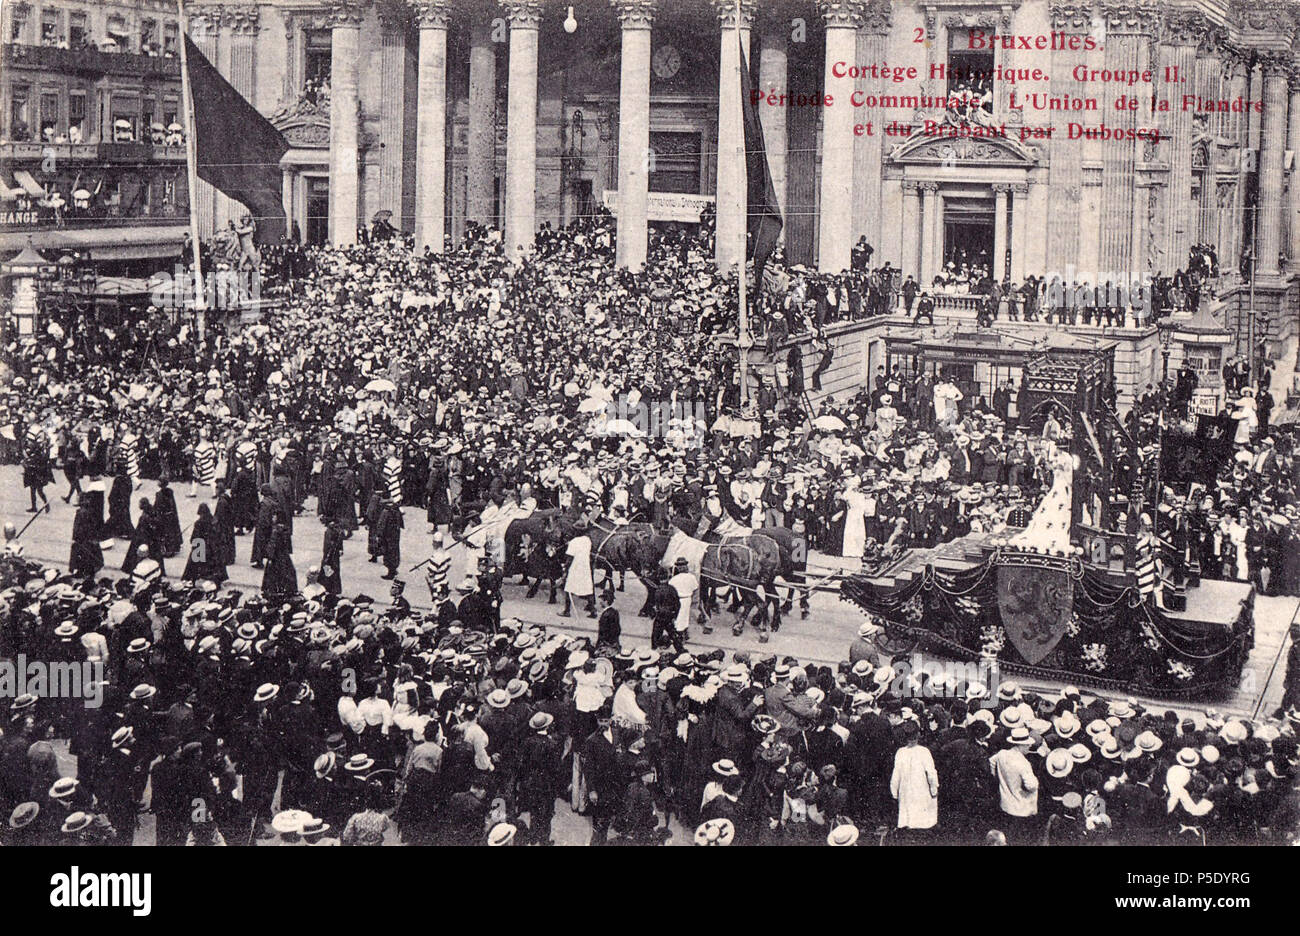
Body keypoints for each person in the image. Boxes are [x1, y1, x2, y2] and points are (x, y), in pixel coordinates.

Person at [890, 721, 939, 841]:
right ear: (918, 735)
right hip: (921, 790)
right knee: (923, 819)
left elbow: (895, 775)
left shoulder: (900, 752)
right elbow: (931, 774)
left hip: (906, 791)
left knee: (908, 816)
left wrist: (894, 793)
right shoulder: (924, 751)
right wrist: (934, 789)